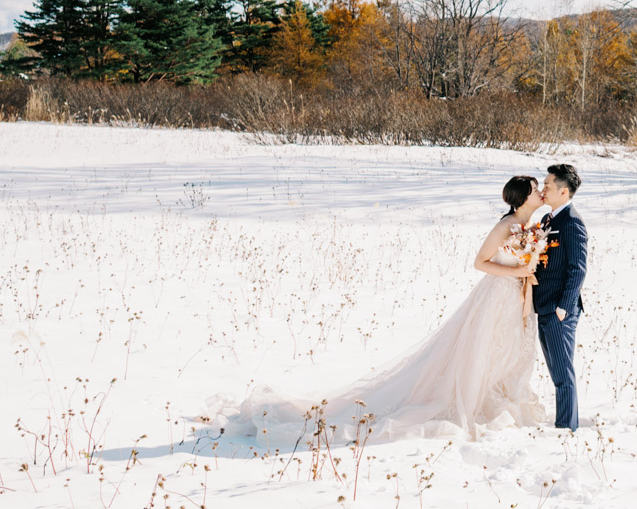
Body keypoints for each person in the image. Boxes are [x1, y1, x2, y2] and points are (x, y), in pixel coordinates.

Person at [214, 176, 548, 441]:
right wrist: (517, 271)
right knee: (483, 351)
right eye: (535, 190)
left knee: (507, 352)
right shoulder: (506, 226)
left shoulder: (532, 227)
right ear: (522, 197)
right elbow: (480, 262)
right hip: (496, 297)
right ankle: (471, 401)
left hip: (517, 298)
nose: (540, 193)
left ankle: (499, 396)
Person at [532, 162, 587, 431]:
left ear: (563, 192)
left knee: (563, 375)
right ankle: (565, 426)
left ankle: (567, 429)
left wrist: (563, 308)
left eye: (547, 185)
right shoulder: (546, 220)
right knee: (555, 374)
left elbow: (578, 269)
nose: (543, 189)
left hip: (559, 311)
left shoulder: (572, 222)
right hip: (543, 306)